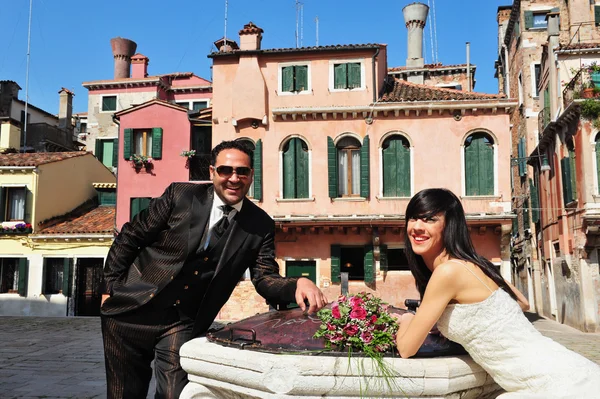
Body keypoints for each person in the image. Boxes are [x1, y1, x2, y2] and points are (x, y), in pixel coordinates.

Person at [100, 140, 327, 399]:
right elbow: (130, 236)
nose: (234, 178)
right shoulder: (180, 196)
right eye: (225, 170)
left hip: (181, 322)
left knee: (175, 395)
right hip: (131, 310)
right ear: (211, 172)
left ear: (251, 175)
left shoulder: (260, 223)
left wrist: (296, 283)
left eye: (242, 171)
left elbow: (265, 278)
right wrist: (110, 288)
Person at [395, 188, 600, 398]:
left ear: (449, 225)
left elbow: (406, 348)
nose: (417, 227)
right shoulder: (475, 263)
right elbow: (521, 302)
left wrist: (408, 318)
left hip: (554, 385)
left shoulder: (447, 271)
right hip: (559, 367)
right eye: (413, 218)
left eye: (429, 219)